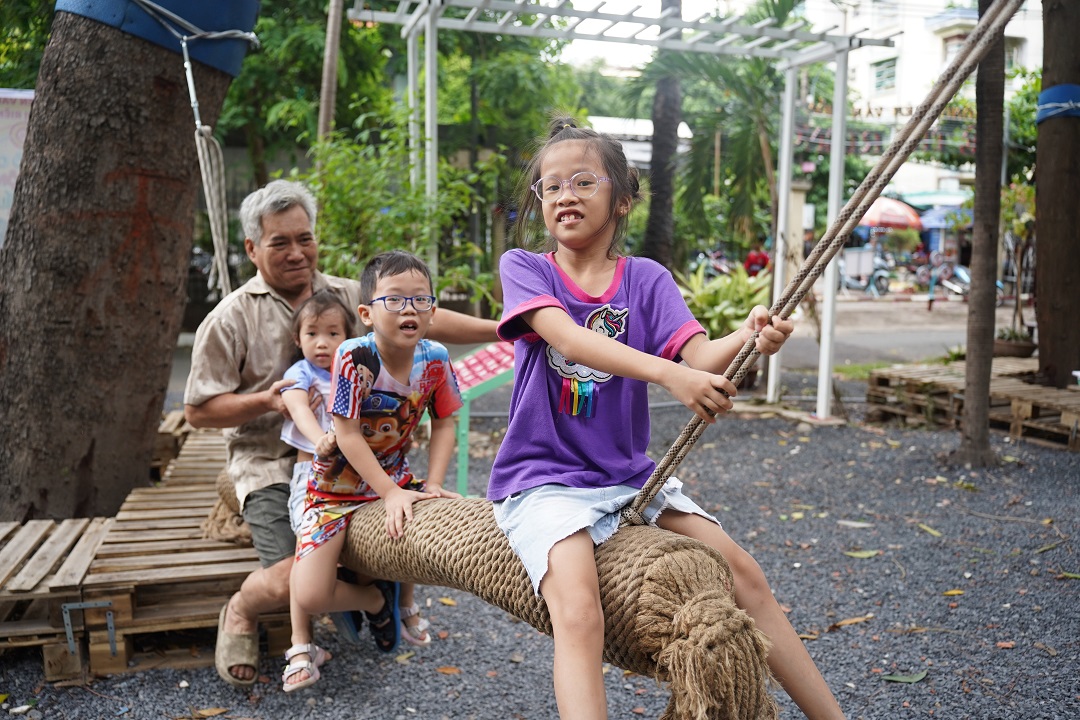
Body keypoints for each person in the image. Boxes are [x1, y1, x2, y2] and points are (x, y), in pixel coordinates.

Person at [487, 118, 844, 719]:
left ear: (622, 199)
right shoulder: (527, 267)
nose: (565, 195)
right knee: (578, 610)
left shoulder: (647, 280)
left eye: (583, 181)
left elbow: (699, 358)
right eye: (551, 186)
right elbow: (568, 340)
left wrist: (748, 335)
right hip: (543, 477)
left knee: (744, 575)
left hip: (629, 477)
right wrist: (669, 376)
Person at [184, 179, 498, 689]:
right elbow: (197, 411)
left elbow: (425, 318)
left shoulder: (349, 294)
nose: (296, 252)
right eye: (280, 242)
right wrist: (271, 399)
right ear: (252, 248)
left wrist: (505, 328)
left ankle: (371, 597)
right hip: (269, 461)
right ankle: (241, 609)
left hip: (356, 459)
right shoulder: (229, 317)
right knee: (291, 577)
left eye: (304, 238)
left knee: (378, 544)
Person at [285, 250, 462, 691]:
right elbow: (345, 433)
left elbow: (445, 421)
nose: (409, 309)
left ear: (433, 310)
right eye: (395, 300)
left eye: (420, 300)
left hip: (395, 477)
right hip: (335, 486)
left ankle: (404, 602)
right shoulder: (355, 355)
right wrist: (390, 492)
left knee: (420, 536)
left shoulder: (436, 358)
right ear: (366, 314)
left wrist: (433, 483)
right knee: (309, 593)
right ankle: (373, 600)